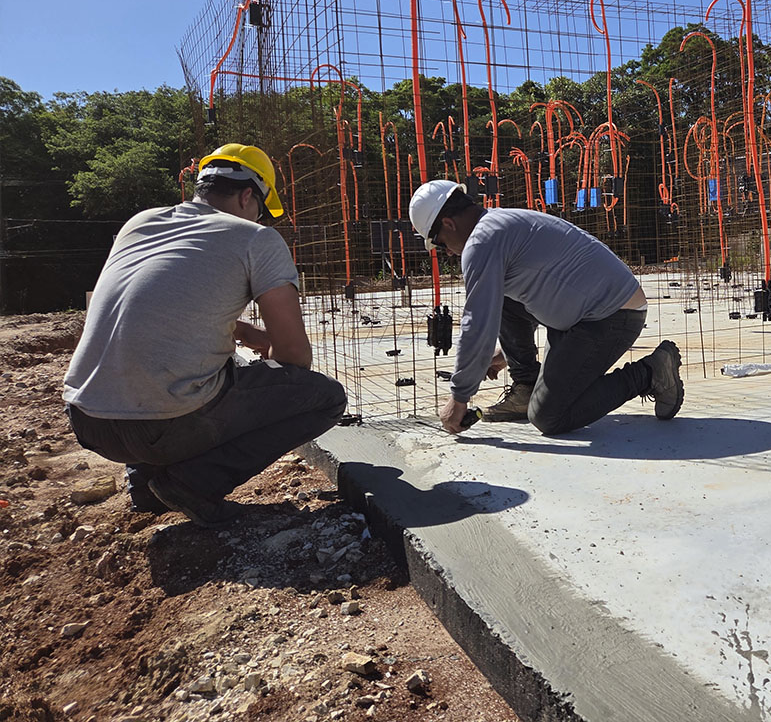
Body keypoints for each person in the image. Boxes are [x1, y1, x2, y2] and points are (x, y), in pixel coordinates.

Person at [63, 143, 347, 528]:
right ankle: (193, 483)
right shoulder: (257, 239)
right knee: (324, 397)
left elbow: (151, 309)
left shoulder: (139, 223)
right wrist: (274, 367)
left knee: (166, 373)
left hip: (87, 418)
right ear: (247, 196)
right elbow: (296, 356)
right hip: (161, 426)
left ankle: (146, 487)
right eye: (261, 210)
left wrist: (244, 331)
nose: (260, 220)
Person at [408, 180, 682, 435]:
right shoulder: (498, 224)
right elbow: (543, 292)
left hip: (612, 316)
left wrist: (459, 397)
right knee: (498, 293)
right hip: (590, 313)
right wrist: (507, 354)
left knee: (549, 416)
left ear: (448, 223)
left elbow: (478, 323)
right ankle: (527, 386)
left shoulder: (481, 243)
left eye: (440, 243)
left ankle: (650, 372)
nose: (446, 251)